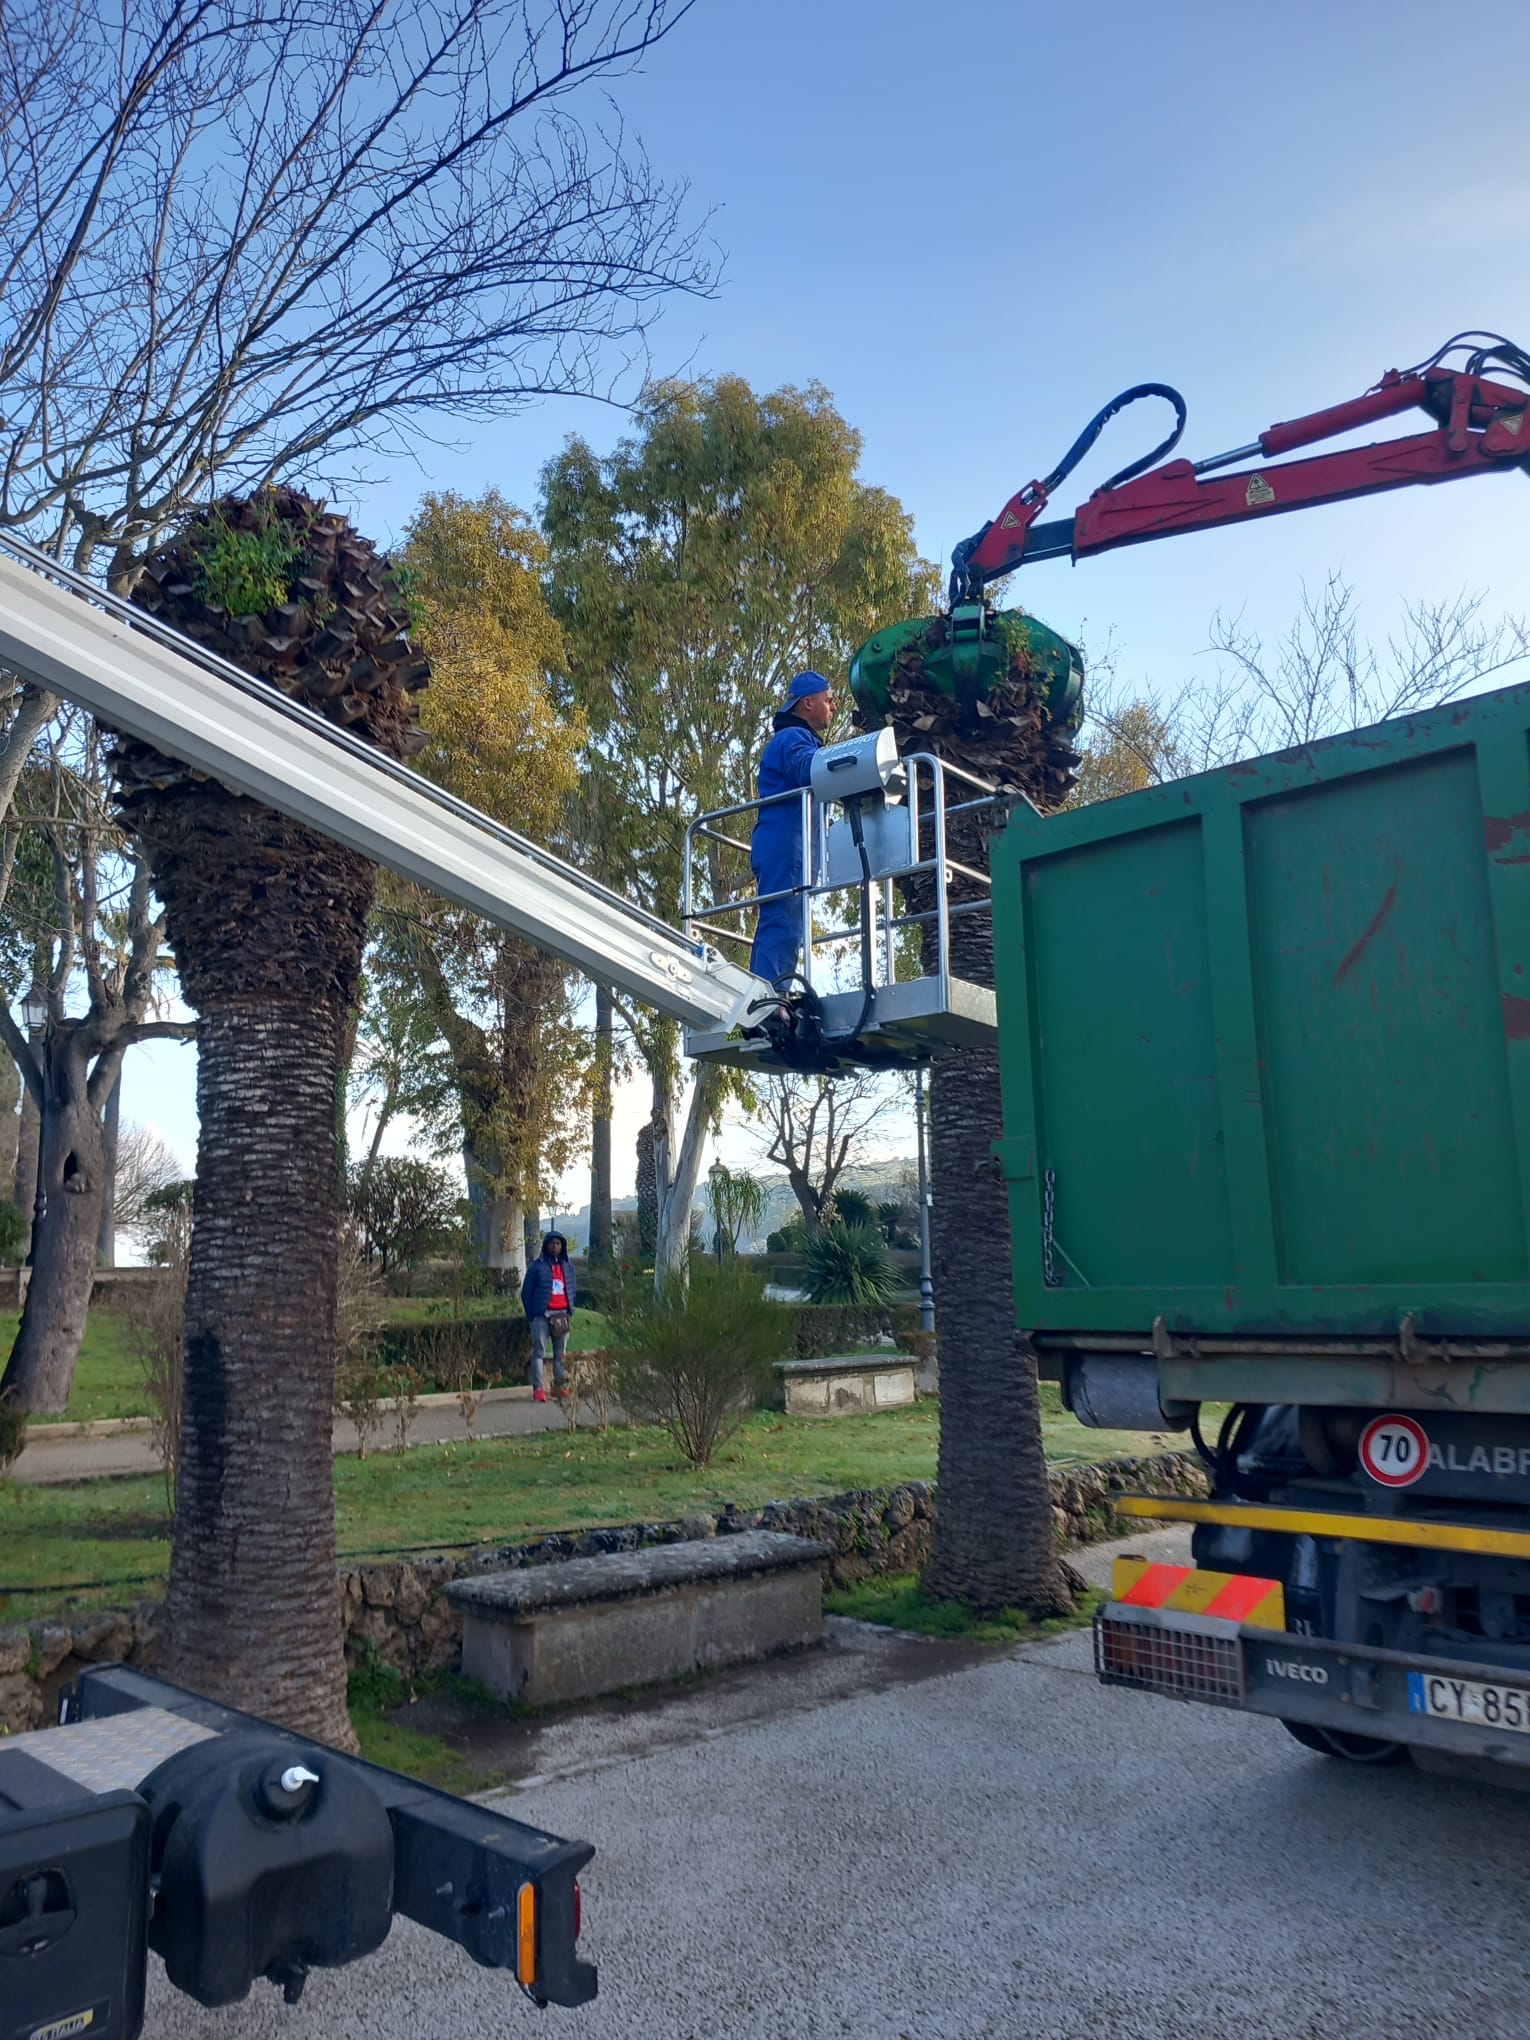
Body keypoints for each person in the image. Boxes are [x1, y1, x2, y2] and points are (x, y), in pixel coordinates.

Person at [748, 670, 836, 987]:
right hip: (787, 843)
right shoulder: (792, 738)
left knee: (788, 920)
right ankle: (767, 996)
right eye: (829, 701)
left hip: (791, 844)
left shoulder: (796, 738)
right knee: (783, 920)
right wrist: (847, 764)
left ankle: (771, 992)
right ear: (807, 703)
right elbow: (807, 769)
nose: (834, 707)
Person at [521, 1230, 576, 1403]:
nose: (555, 1246)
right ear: (546, 1245)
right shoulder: (537, 1267)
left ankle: (560, 1388)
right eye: (552, 1243)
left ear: (562, 1246)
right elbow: (526, 1293)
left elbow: (573, 1288)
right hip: (541, 1317)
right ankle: (538, 1389)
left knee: (560, 1355)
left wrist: (570, 1310)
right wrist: (532, 1314)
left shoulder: (568, 1266)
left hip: (561, 1316)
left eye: (558, 1243)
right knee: (539, 1352)